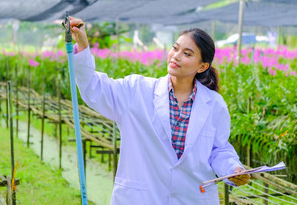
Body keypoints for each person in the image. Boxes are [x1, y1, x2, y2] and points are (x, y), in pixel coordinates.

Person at [69, 17, 250, 205]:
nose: (176, 56)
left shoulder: (214, 104)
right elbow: (94, 88)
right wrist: (82, 44)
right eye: (175, 48)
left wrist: (233, 169)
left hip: (192, 198)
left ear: (202, 66)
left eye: (187, 54)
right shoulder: (136, 91)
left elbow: (218, 149)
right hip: (142, 198)